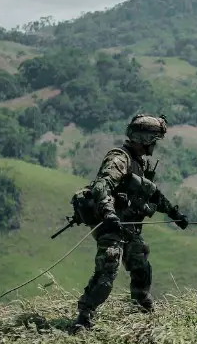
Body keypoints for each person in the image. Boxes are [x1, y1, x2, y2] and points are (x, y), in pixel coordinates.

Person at [71, 114, 189, 332]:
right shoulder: (119, 159)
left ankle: (142, 308)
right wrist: (109, 213)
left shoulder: (139, 163)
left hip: (128, 226)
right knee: (107, 270)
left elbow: (153, 195)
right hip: (112, 224)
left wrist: (175, 214)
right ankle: (83, 317)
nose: (155, 145)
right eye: (154, 139)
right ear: (144, 138)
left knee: (141, 267)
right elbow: (101, 186)